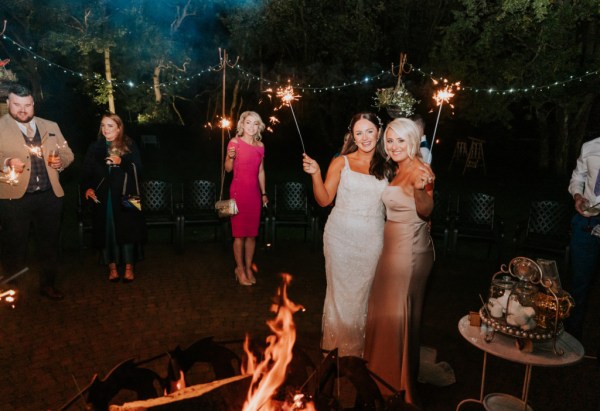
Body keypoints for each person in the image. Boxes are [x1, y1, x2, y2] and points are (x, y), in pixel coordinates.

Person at [302, 112, 387, 357]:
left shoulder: (389, 165)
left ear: (379, 132)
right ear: (352, 136)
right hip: (340, 237)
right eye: (359, 133)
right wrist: (316, 173)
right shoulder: (342, 162)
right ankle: (335, 346)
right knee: (339, 293)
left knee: (364, 294)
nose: (365, 137)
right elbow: (324, 199)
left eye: (369, 131)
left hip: (372, 238)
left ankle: (360, 348)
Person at [363, 117, 435, 408]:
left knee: (399, 311)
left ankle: (399, 381)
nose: (393, 146)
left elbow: (427, 211)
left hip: (410, 250)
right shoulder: (397, 167)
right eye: (389, 141)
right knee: (384, 309)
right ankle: (379, 371)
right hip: (390, 246)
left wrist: (420, 189)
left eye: (399, 140)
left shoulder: (422, 171)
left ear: (412, 141)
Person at [0, 83, 74, 300]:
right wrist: (6, 162)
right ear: (8, 103)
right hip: (14, 199)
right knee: (13, 246)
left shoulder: (51, 125)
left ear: (34, 104)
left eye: (27, 105)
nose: (22, 110)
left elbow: (68, 153)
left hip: (49, 198)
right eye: (17, 104)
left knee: (49, 245)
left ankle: (48, 285)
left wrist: (61, 162)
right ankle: (11, 288)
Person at [81, 113, 146, 283]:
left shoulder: (129, 144)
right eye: (103, 125)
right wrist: (88, 187)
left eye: (110, 126)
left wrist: (121, 162)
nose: (105, 129)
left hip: (129, 195)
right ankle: (112, 268)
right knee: (107, 231)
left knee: (129, 229)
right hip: (104, 196)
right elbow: (86, 171)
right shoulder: (95, 147)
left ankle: (129, 268)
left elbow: (139, 170)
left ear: (119, 128)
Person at [225, 111, 268, 286]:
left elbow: (261, 171)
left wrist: (264, 193)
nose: (251, 127)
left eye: (255, 123)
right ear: (242, 125)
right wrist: (230, 156)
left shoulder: (260, 146)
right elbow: (228, 169)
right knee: (239, 235)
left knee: (251, 235)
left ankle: (249, 267)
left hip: (254, 195)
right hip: (237, 194)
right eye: (248, 123)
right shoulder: (234, 143)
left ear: (259, 126)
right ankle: (240, 269)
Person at [565, 135, 600, 341]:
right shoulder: (590, 146)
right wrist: (578, 195)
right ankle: (571, 339)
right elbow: (577, 178)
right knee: (579, 283)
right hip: (587, 223)